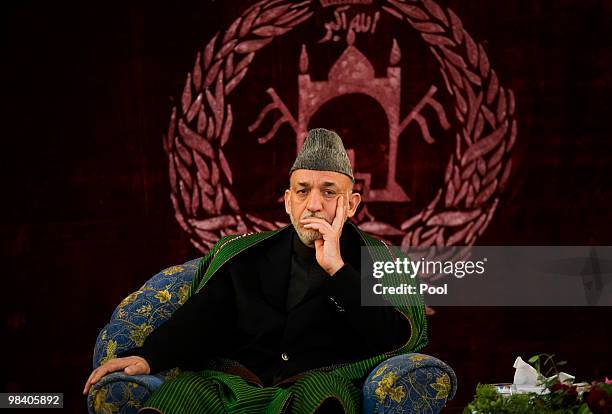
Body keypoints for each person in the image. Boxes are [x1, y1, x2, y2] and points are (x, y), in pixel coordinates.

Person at [83, 128, 427, 413]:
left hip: (314, 387)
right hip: (237, 386)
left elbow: (391, 335)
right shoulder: (245, 255)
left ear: (351, 204)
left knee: (327, 396)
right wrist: (147, 357)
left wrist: (337, 268)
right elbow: (202, 317)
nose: (315, 204)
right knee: (183, 393)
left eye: (329, 192)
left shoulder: (379, 260)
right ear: (288, 201)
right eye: (303, 191)